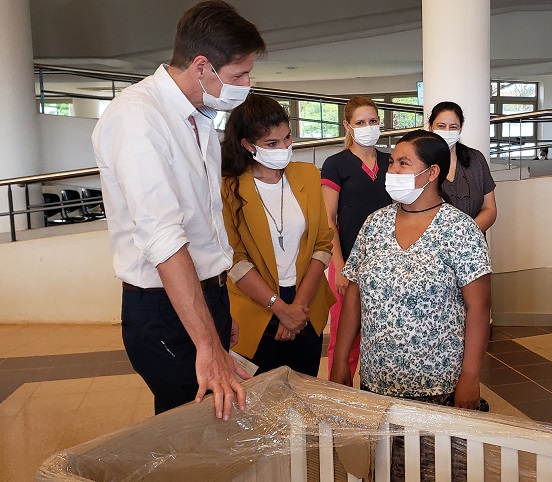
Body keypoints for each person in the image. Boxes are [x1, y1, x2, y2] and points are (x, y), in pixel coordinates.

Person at [91, 0, 266, 418]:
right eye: (238, 75)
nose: (245, 84)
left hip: (200, 300)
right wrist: (206, 341)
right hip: (163, 310)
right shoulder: (138, 118)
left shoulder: (198, 116)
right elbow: (164, 239)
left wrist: (215, 312)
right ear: (201, 66)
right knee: (193, 430)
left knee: (215, 427)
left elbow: (205, 225)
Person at [330, 129, 492, 413]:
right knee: (382, 459)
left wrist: (470, 376)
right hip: (377, 383)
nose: (392, 170)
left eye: (404, 163)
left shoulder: (460, 229)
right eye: (391, 162)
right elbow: (354, 296)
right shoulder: (375, 224)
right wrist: (341, 360)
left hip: (439, 387)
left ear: (432, 173)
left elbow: (479, 308)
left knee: (436, 459)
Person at [221, 94, 336, 377]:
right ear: (248, 145)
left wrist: (297, 306)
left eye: (286, 139)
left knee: (303, 394)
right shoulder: (229, 187)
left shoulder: (307, 174)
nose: (284, 148)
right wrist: (280, 308)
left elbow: (322, 243)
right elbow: (235, 258)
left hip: (305, 302)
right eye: (272, 143)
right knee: (257, 404)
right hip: (255, 305)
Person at [321, 96, 392, 379]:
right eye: (360, 122)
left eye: (373, 121)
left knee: (385, 340)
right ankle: (340, 408)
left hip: (388, 264)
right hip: (347, 264)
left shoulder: (392, 161)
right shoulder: (336, 164)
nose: (368, 127)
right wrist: (339, 267)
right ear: (347, 126)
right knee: (344, 343)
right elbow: (329, 220)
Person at [427, 101, 497, 233]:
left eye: (453, 127)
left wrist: (467, 235)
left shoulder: (476, 159)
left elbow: (489, 208)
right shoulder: (420, 162)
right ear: (430, 127)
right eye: (441, 126)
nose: (447, 131)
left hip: (473, 244)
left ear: (460, 129)